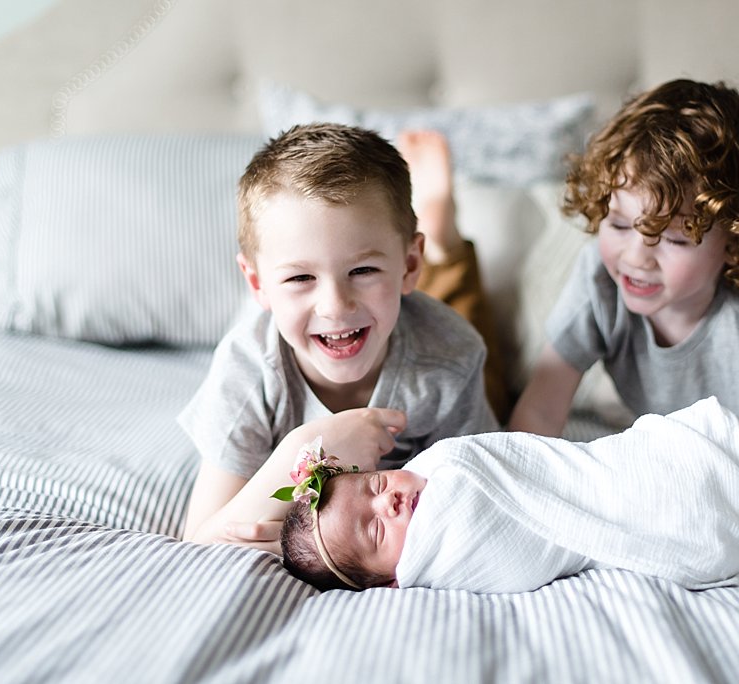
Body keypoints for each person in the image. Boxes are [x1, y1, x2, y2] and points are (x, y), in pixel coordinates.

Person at [508, 79, 739, 511]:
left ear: (735, 242)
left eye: (674, 239)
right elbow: (541, 410)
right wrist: (520, 490)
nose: (637, 257)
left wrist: (737, 508)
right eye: (619, 225)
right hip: (694, 366)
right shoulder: (600, 280)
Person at [176, 123, 502, 551]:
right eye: (300, 277)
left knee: (485, 345)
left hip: (425, 328)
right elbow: (199, 542)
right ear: (256, 284)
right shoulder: (247, 370)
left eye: (362, 270)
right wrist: (307, 449)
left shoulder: (450, 357)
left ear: (408, 265)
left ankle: (442, 232)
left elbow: (478, 505)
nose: (335, 304)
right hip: (371, 317)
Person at [281, 397, 739, 593]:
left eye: (375, 485)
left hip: (608, 469)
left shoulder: (438, 464)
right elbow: (495, 541)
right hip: (615, 519)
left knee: (636, 467)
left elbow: (512, 460)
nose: (387, 502)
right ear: (389, 580)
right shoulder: (431, 560)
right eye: (375, 529)